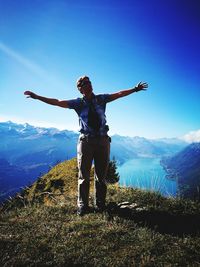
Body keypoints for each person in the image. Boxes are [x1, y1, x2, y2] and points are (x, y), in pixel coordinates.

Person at [24, 76, 148, 216]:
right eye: (85, 84)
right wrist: (37, 97)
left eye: (89, 82)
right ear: (80, 89)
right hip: (86, 142)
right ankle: (83, 206)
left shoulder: (102, 99)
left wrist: (135, 89)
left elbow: (119, 94)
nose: (89, 85)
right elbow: (57, 102)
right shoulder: (77, 103)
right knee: (84, 175)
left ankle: (100, 204)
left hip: (102, 141)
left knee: (101, 176)